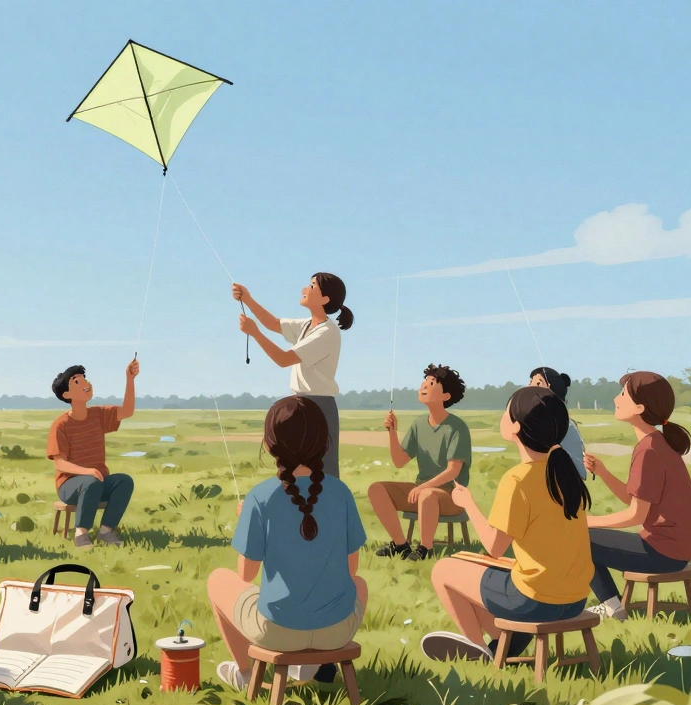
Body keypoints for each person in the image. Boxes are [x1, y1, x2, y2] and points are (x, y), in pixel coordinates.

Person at [421, 386, 593, 662]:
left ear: (516, 427)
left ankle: (477, 647)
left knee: (443, 569)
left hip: (535, 601)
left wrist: (468, 504)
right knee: (485, 567)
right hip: (575, 598)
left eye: (506, 411)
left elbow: (494, 547)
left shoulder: (518, 479)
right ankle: (502, 642)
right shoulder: (565, 473)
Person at [208, 396, 368, 691]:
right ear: (324, 443)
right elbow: (352, 569)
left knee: (218, 579)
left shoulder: (261, 497)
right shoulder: (341, 492)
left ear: (270, 445)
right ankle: (309, 661)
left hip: (276, 632)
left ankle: (245, 674)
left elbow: (245, 574)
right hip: (337, 631)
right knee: (360, 584)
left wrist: (250, 522)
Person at [582, 372, 691, 621]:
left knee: (577, 537)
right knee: (582, 534)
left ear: (640, 407)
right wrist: (602, 472)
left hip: (664, 553)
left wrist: (586, 522)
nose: (616, 399)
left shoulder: (649, 451)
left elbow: (636, 515)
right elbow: (636, 500)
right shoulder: (655, 443)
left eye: (623, 394)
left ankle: (612, 607)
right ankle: (613, 606)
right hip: (674, 548)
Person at [233, 273, 353, 479]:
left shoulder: (326, 332)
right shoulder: (307, 325)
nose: (304, 289)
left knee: (323, 471)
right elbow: (273, 323)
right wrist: (248, 299)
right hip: (302, 404)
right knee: (298, 468)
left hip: (319, 407)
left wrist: (255, 333)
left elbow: (283, 359)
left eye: (312, 286)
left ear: (325, 298)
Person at [367, 364, 472, 561]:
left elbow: (453, 471)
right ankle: (401, 544)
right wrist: (392, 432)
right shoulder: (419, 424)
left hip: (452, 496)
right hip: (422, 491)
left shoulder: (457, 427)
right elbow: (399, 461)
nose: (424, 386)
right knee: (376, 489)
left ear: (446, 396)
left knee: (426, 495)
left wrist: (423, 487)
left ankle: (425, 548)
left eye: (431, 384)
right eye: (425, 381)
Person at [47, 359, 139, 550]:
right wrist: (87, 471)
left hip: (97, 481)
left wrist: (130, 378)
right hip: (69, 486)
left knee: (124, 481)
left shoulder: (98, 415)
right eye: (77, 381)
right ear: (66, 394)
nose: (85, 383)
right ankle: (81, 533)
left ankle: (105, 531)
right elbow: (59, 463)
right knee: (91, 482)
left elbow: (127, 411)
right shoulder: (60, 425)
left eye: (84, 378)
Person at [528, 367, 586, 480]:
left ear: (549, 389)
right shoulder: (541, 421)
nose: (530, 386)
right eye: (530, 382)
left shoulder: (563, 425)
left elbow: (577, 467)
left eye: (538, 383)